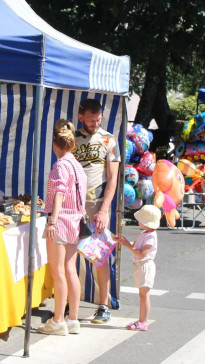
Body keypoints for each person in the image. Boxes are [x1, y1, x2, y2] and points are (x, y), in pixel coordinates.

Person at [38, 120, 88, 336]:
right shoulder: (77, 165)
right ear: (73, 144)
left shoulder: (60, 166)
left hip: (62, 221)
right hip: (76, 221)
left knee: (58, 271)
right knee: (70, 270)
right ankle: (73, 318)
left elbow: (59, 193)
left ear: (54, 144)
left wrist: (52, 221)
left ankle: (58, 320)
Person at [73, 98, 120, 324]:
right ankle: (69, 301)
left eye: (98, 119)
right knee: (70, 253)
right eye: (91, 120)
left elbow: (113, 179)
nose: (95, 123)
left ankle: (103, 304)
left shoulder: (108, 139)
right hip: (73, 205)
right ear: (80, 117)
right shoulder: (71, 138)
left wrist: (104, 210)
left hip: (98, 203)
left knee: (100, 256)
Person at [116, 204, 161, 331]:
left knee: (144, 295)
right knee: (143, 294)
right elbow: (136, 246)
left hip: (145, 266)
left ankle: (143, 321)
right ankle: (142, 320)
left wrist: (127, 245)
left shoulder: (150, 237)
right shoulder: (146, 233)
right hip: (141, 266)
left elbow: (141, 254)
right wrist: (123, 242)